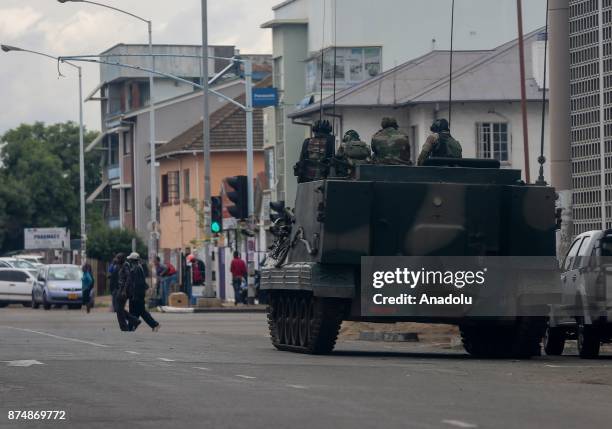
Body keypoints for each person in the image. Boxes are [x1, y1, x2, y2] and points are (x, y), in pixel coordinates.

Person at [294, 119, 336, 183]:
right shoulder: (330, 141)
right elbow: (331, 160)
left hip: (307, 179)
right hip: (323, 178)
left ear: (315, 131)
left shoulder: (307, 142)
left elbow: (302, 160)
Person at [127, 253, 160, 332]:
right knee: (138, 312)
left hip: (137, 295)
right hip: (138, 294)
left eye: (130, 260)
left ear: (133, 260)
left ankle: (154, 324)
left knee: (137, 311)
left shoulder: (136, 268)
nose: (129, 261)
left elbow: (137, 283)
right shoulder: (138, 267)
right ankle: (131, 327)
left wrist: (134, 294)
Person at [117, 254, 141, 332]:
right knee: (119, 309)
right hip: (120, 289)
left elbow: (128, 278)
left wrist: (124, 290)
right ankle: (134, 321)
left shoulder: (125, 266)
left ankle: (125, 327)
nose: (117, 260)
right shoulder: (121, 266)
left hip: (124, 290)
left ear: (122, 259)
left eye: (118, 258)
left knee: (119, 309)